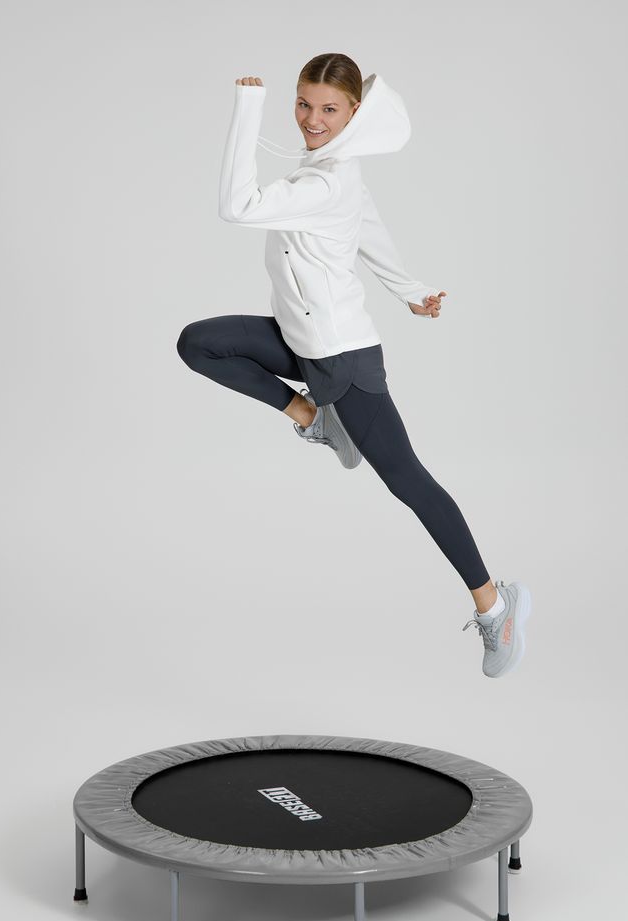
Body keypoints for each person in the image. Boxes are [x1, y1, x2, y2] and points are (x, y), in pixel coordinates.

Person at [177, 53, 531, 678]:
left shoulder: (325, 183)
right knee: (199, 343)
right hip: (301, 343)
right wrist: (411, 290)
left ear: (353, 112)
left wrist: (247, 106)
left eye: (329, 109)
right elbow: (369, 231)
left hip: (342, 359)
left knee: (408, 481)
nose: (312, 119)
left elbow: (236, 205)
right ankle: (314, 417)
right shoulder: (332, 169)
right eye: (303, 104)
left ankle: (495, 606)